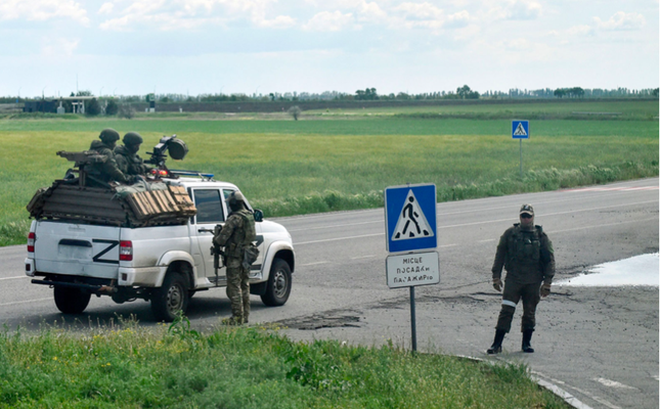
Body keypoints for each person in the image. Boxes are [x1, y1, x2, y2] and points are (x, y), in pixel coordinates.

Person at [487, 204, 555, 354]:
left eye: (528, 216)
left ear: (533, 217)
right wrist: (496, 277)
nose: (525, 219)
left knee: (529, 312)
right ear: (519, 217)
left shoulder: (541, 236)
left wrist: (547, 283)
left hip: (533, 280)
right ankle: (496, 344)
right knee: (506, 310)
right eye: (523, 216)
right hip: (513, 280)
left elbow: (549, 260)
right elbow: (500, 255)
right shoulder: (510, 234)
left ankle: (526, 343)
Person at [213, 191, 256, 325]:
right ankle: (245, 316)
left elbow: (221, 239)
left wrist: (216, 237)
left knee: (234, 287)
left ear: (232, 204)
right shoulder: (249, 215)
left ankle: (237, 318)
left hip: (235, 257)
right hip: (247, 256)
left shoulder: (234, 218)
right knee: (244, 285)